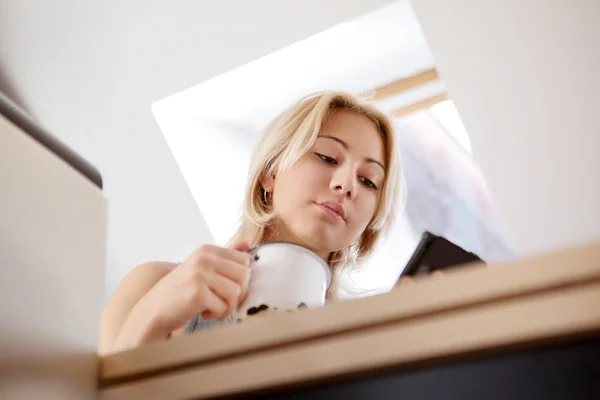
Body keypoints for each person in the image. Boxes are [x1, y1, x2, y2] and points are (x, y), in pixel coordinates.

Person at [99, 91, 403, 355]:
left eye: (368, 181)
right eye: (326, 157)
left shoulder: (360, 344)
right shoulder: (155, 285)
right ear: (270, 172)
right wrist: (153, 313)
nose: (348, 185)